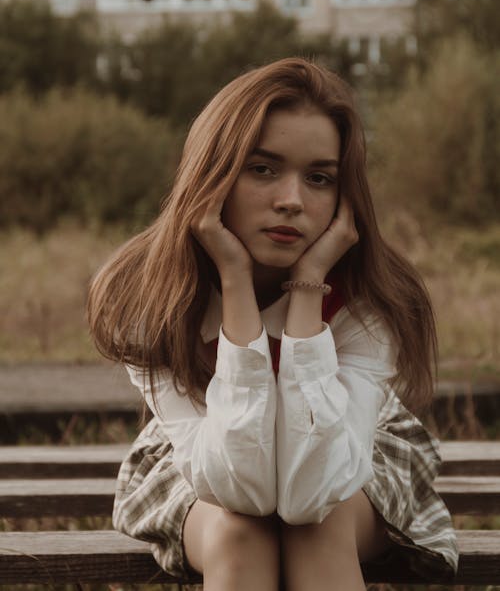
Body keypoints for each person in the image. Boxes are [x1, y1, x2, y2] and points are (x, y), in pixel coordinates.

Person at [87, 57, 458, 590]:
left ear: (344, 195)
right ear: (212, 174)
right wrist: (235, 284)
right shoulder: (150, 299)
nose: (292, 200)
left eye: (319, 178)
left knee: (318, 528)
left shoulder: (370, 299)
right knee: (242, 533)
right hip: (201, 451)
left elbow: (312, 496)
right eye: (262, 168)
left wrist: (308, 294)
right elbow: (244, 493)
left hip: (354, 449)